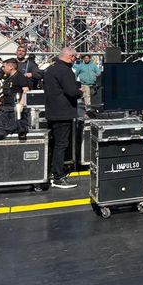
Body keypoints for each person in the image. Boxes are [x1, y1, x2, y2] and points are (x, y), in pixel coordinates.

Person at [43, 47, 81, 189]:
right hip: (63, 113)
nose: (75, 61)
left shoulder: (50, 69)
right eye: (74, 58)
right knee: (61, 144)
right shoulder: (65, 71)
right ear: (70, 57)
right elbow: (71, 91)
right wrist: (80, 91)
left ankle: (52, 172)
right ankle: (58, 176)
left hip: (52, 112)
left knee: (54, 144)